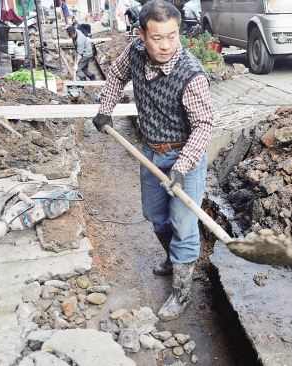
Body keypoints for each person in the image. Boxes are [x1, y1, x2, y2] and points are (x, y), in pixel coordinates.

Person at [92, 0, 213, 321]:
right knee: (156, 217)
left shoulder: (191, 74)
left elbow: (204, 125)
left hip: (185, 155)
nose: (165, 45)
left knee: (184, 226)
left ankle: (182, 292)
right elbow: (116, 76)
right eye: (157, 37)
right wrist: (106, 108)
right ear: (141, 34)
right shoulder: (134, 52)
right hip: (150, 151)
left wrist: (182, 168)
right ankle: (172, 260)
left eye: (172, 37)